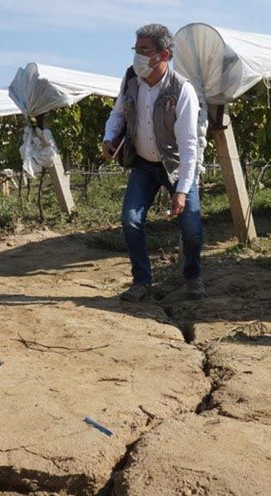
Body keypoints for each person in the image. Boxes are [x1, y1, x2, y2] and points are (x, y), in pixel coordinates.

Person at [102, 23, 205, 302]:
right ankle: (142, 281)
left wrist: (181, 190)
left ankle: (193, 276)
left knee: (191, 228)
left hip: (175, 166)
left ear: (164, 55)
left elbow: (188, 146)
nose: (137, 57)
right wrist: (109, 138)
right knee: (130, 220)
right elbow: (118, 113)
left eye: (144, 51)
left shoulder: (182, 90)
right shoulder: (131, 79)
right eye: (136, 50)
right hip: (144, 165)